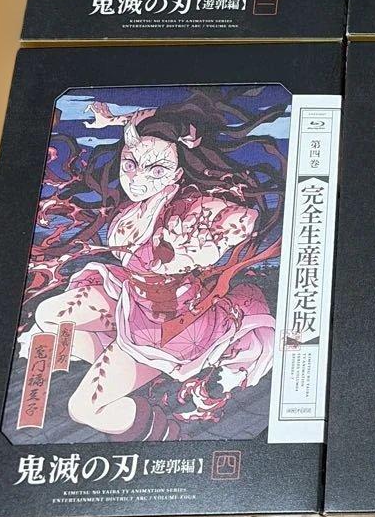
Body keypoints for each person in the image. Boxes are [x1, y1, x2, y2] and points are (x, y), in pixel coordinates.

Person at [24, 94, 279, 441]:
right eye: (130, 164)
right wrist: (114, 120)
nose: (138, 178)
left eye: (156, 170)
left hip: (165, 326)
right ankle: (135, 372)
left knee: (84, 410)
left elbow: (241, 220)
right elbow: (150, 124)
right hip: (131, 298)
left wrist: (199, 250)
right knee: (48, 315)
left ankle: (167, 431)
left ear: (177, 173)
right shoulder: (139, 204)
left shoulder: (191, 207)